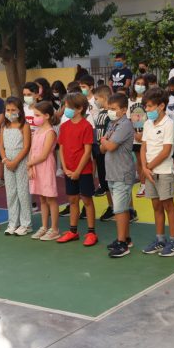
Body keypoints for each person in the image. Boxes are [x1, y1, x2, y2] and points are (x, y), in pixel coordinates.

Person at [141, 87, 174, 256]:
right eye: (146, 106)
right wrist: (144, 168)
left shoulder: (169, 124)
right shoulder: (147, 123)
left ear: (161, 106)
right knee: (156, 206)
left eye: (150, 106)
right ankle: (160, 239)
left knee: (168, 206)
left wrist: (148, 167)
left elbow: (166, 151)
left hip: (164, 172)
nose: (147, 109)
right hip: (150, 172)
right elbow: (143, 147)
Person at [57, 93, 98, 245]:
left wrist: (78, 171)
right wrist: (65, 168)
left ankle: (91, 233)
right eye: (65, 106)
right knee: (72, 200)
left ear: (80, 108)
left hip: (83, 171)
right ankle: (73, 231)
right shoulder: (64, 126)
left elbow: (87, 152)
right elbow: (61, 148)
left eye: (68, 107)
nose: (65, 109)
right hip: (69, 171)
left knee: (87, 200)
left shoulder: (86, 126)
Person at [100, 93, 136, 258]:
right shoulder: (112, 124)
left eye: (114, 109)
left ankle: (122, 243)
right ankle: (125, 238)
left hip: (122, 173)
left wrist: (105, 141)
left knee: (120, 210)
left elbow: (110, 146)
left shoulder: (125, 125)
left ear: (123, 110)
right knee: (120, 208)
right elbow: (103, 148)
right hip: (112, 172)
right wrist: (105, 142)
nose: (110, 112)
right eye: (109, 108)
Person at [28, 101, 61, 241]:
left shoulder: (50, 132)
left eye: (37, 115)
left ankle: (54, 229)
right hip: (36, 166)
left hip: (46, 167)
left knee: (50, 198)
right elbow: (32, 150)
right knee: (42, 198)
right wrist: (30, 167)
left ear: (47, 116)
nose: (35, 118)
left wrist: (29, 164)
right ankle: (44, 226)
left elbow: (44, 155)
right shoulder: (36, 131)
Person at [0, 97, 32, 235]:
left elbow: (26, 147)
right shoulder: (4, 126)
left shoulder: (24, 126)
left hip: (21, 161)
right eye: (8, 110)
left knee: (23, 192)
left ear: (20, 111)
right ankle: (13, 222)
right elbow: (1, 146)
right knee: (11, 192)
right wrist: (5, 160)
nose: (10, 112)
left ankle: (26, 224)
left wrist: (15, 162)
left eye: (13, 110)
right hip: (7, 162)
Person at [92, 86, 115, 220]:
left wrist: (103, 147)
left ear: (104, 98)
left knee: (111, 181)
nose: (95, 101)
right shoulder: (100, 113)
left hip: (107, 152)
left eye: (96, 99)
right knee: (103, 181)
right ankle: (111, 206)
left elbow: (109, 133)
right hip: (99, 152)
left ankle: (119, 207)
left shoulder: (110, 114)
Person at [129, 75, 148, 197]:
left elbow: (151, 118)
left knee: (146, 160)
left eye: (142, 84)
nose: (140, 86)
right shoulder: (130, 101)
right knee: (139, 161)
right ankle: (143, 184)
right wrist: (135, 133)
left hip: (146, 136)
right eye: (138, 83)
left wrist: (143, 134)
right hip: (135, 137)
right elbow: (128, 119)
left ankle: (149, 184)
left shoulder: (148, 100)